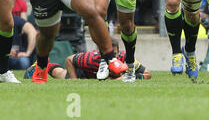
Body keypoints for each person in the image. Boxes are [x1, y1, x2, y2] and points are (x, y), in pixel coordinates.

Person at [24, 39, 152, 80]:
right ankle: (41, 65)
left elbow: (147, 74)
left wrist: (135, 77)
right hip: (86, 73)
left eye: (115, 53)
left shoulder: (126, 58)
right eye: (108, 55)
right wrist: (73, 81)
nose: (112, 57)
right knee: (62, 74)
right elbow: (69, 59)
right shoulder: (91, 59)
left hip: (101, 77)